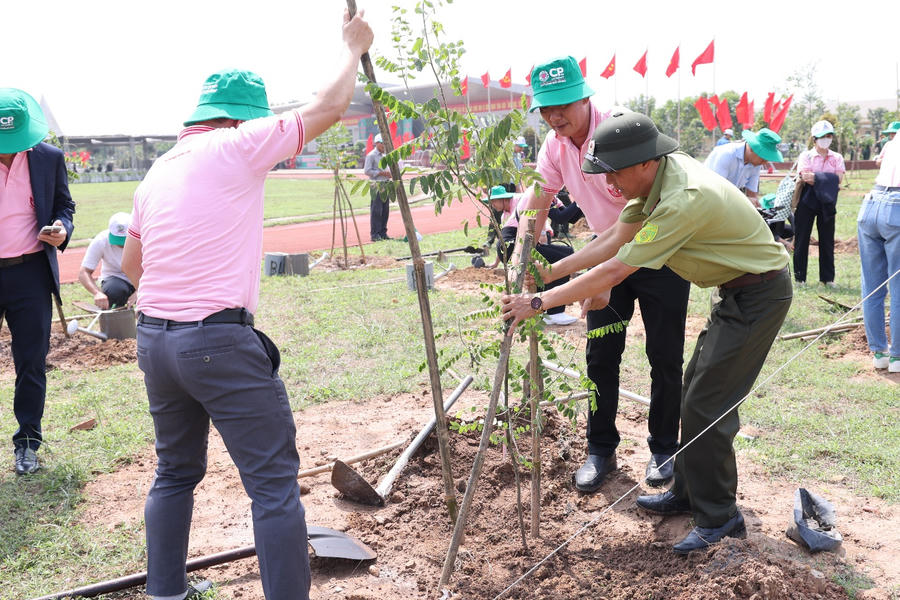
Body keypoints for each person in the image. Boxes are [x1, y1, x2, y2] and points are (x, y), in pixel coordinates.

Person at [120, 10, 373, 600]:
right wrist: (352, 47)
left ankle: (165, 591)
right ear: (241, 119)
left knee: (174, 472)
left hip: (155, 341)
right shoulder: (236, 144)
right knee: (273, 485)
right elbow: (329, 107)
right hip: (216, 342)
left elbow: (131, 269)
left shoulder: (159, 169)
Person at [501, 111, 792, 553]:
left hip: (759, 295)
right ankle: (688, 493)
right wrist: (551, 273)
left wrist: (539, 302)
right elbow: (613, 237)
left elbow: (616, 269)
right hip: (735, 294)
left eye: (614, 173)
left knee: (707, 405)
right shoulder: (657, 178)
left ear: (645, 162)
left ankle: (720, 517)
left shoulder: (683, 198)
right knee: (694, 392)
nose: (609, 184)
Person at [510, 56, 691, 492]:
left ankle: (664, 448)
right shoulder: (553, 146)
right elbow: (538, 201)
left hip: (660, 252)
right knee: (600, 355)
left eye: (564, 105)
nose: (555, 116)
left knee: (665, 355)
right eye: (546, 108)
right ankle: (600, 449)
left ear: (585, 98)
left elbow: (640, 216)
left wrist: (586, 275)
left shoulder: (618, 129)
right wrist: (522, 254)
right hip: (604, 253)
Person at [0, 88, 75, 475]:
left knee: (31, 363)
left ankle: (27, 444)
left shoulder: (48, 158)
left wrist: (61, 227)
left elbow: (64, 204)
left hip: (30, 273)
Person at [486, 185, 577, 325]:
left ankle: (542, 310)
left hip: (519, 241)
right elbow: (554, 218)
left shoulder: (545, 193)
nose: (492, 205)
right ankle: (554, 312)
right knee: (561, 257)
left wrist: (585, 200)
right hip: (516, 241)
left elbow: (568, 216)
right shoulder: (536, 192)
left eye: (494, 201)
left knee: (555, 259)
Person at [858, 131, 900, 372]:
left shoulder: (895, 138)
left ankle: (879, 353)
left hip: (872, 202)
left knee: (872, 287)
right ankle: (897, 357)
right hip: (896, 207)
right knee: (898, 286)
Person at [794, 120, 845, 287]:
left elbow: (839, 178)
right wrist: (828, 179)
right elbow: (805, 177)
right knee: (802, 238)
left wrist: (816, 177)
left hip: (828, 201)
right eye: (822, 136)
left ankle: (827, 279)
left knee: (827, 239)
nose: (826, 139)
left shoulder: (837, 157)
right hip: (807, 200)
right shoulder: (806, 156)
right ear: (814, 139)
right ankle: (800, 278)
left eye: (829, 136)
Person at [704, 127, 784, 207]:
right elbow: (718, 191)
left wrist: (755, 205)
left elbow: (752, 191)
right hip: (708, 198)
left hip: (727, 200)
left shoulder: (756, 163)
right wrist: (746, 200)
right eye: (763, 158)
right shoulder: (727, 155)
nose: (764, 162)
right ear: (753, 148)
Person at [78, 212, 135, 309]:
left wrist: (141, 291)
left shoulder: (143, 240)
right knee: (115, 290)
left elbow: (156, 271)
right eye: (117, 239)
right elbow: (84, 272)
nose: (120, 245)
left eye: (124, 240)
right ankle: (117, 315)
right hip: (116, 279)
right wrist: (97, 293)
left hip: (143, 280)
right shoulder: (101, 240)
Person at [364, 133, 392, 241]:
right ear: (377, 143)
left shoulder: (385, 156)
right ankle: (375, 234)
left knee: (385, 210)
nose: (384, 145)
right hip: (376, 185)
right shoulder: (371, 156)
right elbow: (367, 171)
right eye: (382, 143)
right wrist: (380, 173)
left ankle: (383, 233)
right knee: (376, 210)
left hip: (386, 184)